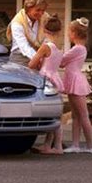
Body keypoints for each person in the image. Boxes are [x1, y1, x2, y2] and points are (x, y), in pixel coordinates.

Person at [28, 14, 64, 154]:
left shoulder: (46, 46)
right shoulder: (59, 46)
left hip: (45, 78)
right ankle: (49, 145)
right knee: (55, 114)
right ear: (59, 30)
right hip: (56, 78)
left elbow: (32, 63)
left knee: (51, 115)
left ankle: (58, 146)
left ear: (44, 30)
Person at [61, 18, 92, 154]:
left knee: (83, 115)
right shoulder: (79, 49)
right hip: (73, 81)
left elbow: (62, 61)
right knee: (75, 116)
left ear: (74, 33)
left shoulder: (78, 49)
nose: (68, 34)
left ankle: (90, 145)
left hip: (76, 82)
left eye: (69, 32)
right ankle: (75, 144)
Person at [6, 0, 48, 66]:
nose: (41, 13)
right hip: (19, 59)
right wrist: (38, 59)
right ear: (28, 8)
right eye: (38, 10)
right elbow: (24, 46)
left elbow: (47, 39)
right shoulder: (17, 22)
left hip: (39, 57)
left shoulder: (44, 18)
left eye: (43, 10)